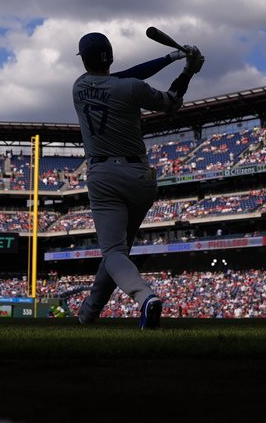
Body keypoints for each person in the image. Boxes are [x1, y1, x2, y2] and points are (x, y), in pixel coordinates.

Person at [71, 31, 202, 330]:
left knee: (114, 252)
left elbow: (117, 78)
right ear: (111, 56)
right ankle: (88, 313)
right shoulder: (132, 88)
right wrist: (185, 69)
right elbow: (172, 102)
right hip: (140, 176)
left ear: (85, 60)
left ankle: (146, 298)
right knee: (118, 251)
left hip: (103, 175)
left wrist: (172, 58)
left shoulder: (79, 86)